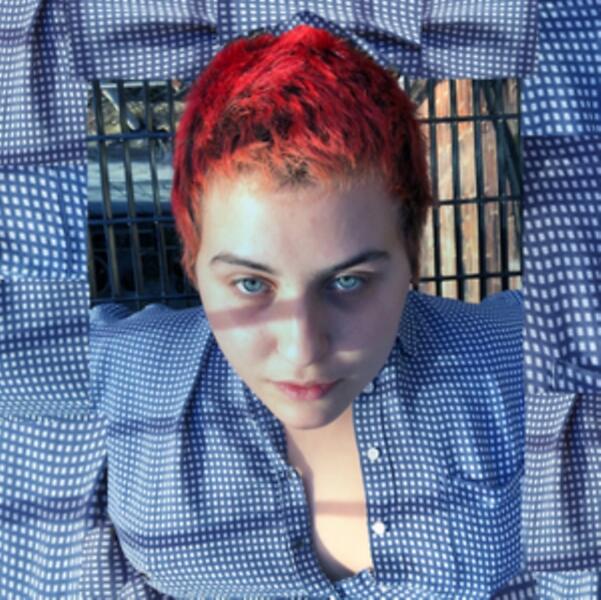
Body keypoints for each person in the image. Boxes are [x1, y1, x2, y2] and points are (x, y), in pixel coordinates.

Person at [90, 24, 525, 598]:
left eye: (348, 281)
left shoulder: (515, 367)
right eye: (250, 283)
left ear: (412, 256)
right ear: (193, 265)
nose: (302, 349)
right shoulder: (118, 384)